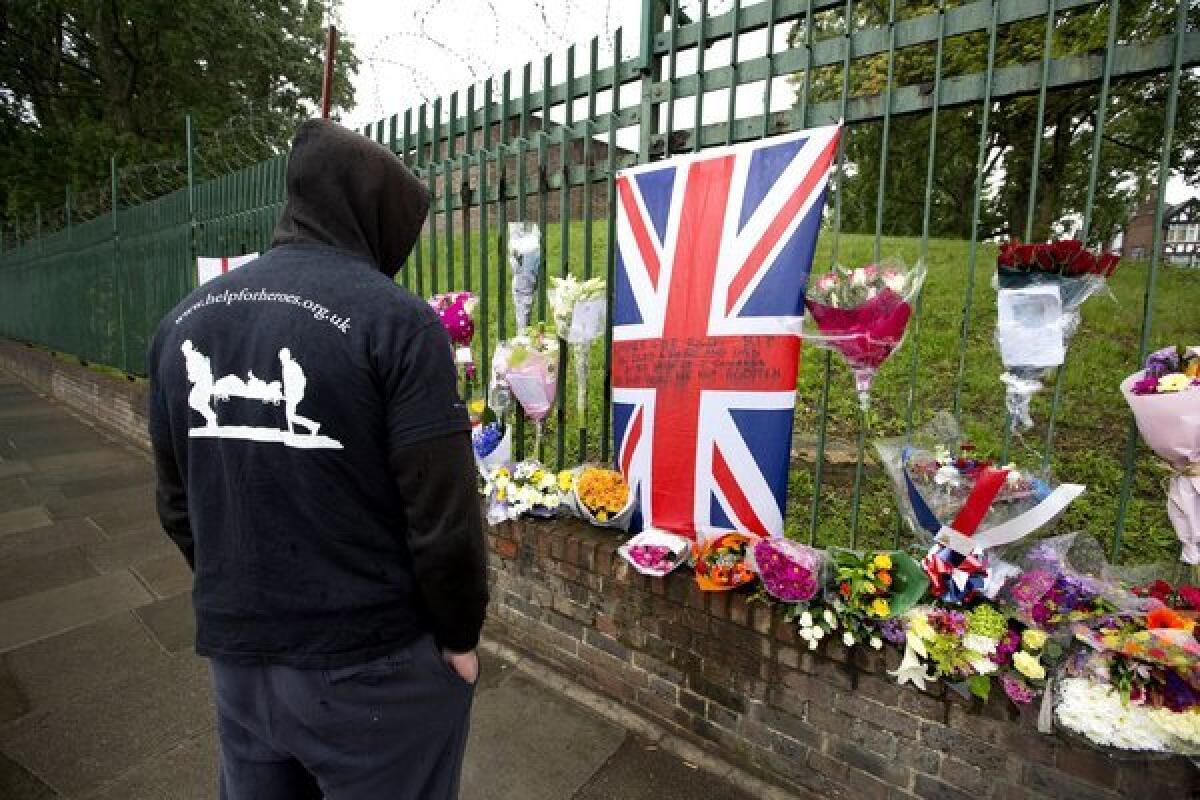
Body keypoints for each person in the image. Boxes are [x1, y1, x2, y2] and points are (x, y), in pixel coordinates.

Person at [147, 119, 488, 800]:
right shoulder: (396, 321)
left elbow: (177, 500)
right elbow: (443, 518)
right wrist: (458, 639)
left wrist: (243, 590)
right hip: (372, 667)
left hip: (239, 657)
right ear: (376, 216)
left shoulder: (184, 319)